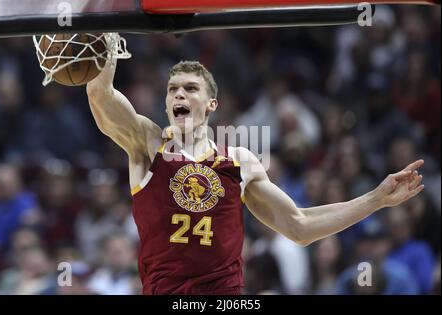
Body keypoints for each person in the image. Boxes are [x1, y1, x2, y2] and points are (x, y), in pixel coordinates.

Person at [86, 57, 425, 295]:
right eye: (173, 89)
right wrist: (104, 47)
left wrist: (376, 199)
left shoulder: (239, 162)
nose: (179, 94)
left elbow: (299, 226)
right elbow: (101, 97)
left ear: (211, 105)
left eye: (190, 88)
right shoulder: (148, 144)